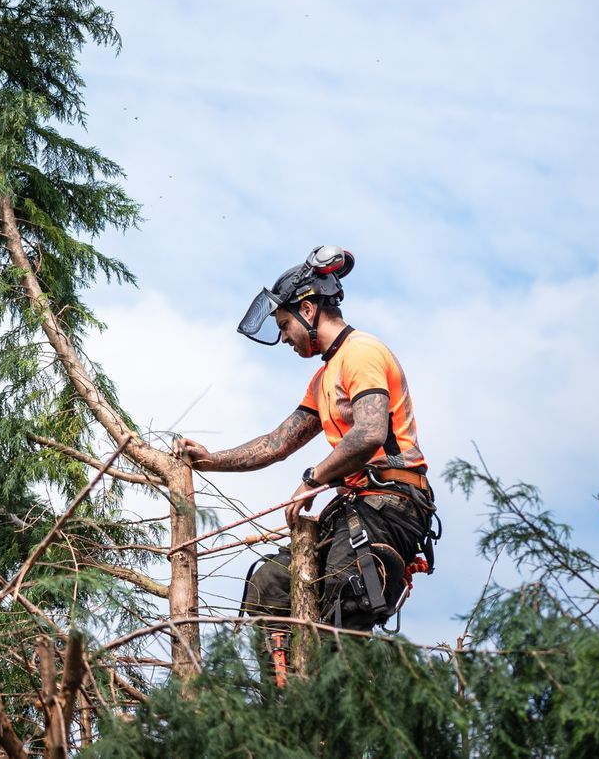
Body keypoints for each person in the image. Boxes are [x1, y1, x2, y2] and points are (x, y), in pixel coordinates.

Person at [172, 246, 439, 631]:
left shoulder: (361, 353)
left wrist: (315, 479)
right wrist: (211, 459)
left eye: (284, 325)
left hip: (390, 502)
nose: (283, 337)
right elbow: (278, 442)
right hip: (357, 507)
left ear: (308, 310)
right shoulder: (323, 379)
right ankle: (288, 690)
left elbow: (369, 432)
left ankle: (339, 682)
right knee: (270, 585)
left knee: (343, 590)